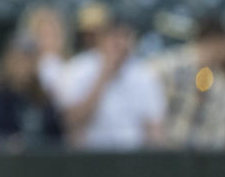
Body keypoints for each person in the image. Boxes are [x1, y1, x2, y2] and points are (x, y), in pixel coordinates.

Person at [53, 19, 166, 150]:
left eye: (126, 37)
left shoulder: (144, 74)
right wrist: (103, 76)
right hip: (90, 155)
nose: (121, 43)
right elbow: (71, 123)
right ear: (101, 40)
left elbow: (154, 128)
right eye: (115, 37)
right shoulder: (78, 69)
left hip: (134, 157)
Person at [143, 17, 225, 149]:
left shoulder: (222, 82)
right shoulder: (168, 66)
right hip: (164, 154)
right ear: (216, 41)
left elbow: (220, 134)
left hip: (203, 161)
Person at [0, 33, 62, 144]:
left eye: (28, 60)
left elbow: (56, 138)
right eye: (18, 59)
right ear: (8, 60)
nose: (23, 66)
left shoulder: (43, 98)